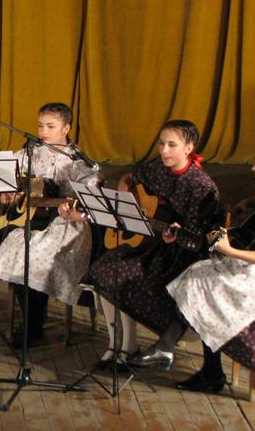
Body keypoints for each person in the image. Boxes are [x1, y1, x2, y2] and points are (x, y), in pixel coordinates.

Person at [131, 139, 255, 393]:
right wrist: (248, 203)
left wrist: (229, 250)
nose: (253, 167)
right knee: (200, 274)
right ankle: (189, 360)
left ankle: (179, 354)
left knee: (204, 281)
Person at [83, 119, 223, 371]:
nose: (164, 150)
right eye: (161, 144)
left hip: (182, 254)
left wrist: (176, 235)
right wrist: (127, 197)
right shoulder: (158, 168)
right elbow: (129, 178)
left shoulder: (201, 186)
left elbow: (200, 240)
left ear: (189, 148)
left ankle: (129, 347)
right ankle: (117, 345)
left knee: (124, 275)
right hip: (153, 243)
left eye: (172, 145)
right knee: (104, 267)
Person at [0, 103, 99, 347]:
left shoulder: (79, 163)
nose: (43, 131)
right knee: (15, 249)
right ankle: (32, 320)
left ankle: (33, 323)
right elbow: (5, 174)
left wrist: (74, 211)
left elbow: (91, 201)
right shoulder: (31, 153)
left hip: (68, 225)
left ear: (66, 128)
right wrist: (11, 192)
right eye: (40, 126)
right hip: (34, 219)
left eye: (50, 126)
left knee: (34, 255)